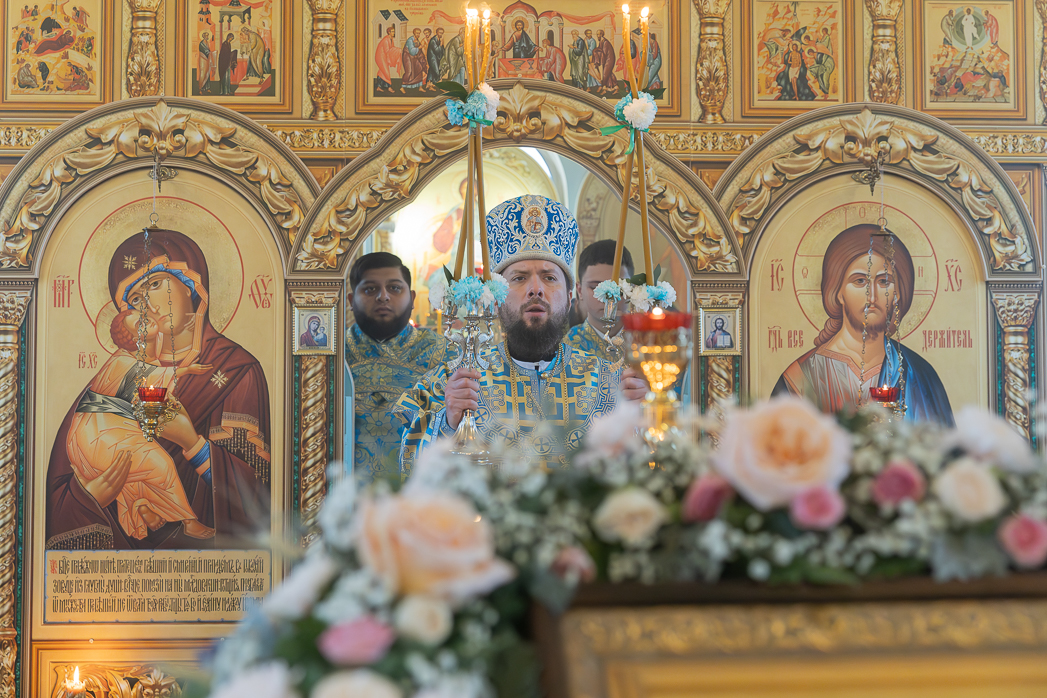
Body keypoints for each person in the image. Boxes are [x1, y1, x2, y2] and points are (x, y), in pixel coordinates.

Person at [46, 230, 272, 550]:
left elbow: (263, 493)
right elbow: (59, 490)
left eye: (154, 284)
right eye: (136, 299)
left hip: (213, 565)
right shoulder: (119, 369)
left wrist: (192, 444)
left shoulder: (235, 371)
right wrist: (91, 497)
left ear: (191, 283)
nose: (149, 305)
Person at [397, 196, 648, 474]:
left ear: (570, 296)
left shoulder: (611, 382)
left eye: (549, 277)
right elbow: (408, 468)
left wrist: (643, 418)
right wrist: (448, 421)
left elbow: (649, 472)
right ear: (496, 300)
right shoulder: (454, 382)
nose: (535, 289)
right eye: (519, 278)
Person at [772, 225, 953, 425]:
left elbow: (940, 441)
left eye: (884, 281)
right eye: (859, 281)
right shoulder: (801, 378)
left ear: (898, 294)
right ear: (837, 291)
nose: (872, 296)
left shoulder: (919, 375)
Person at [65, 308, 216, 541]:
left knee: (133, 469)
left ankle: (141, 505)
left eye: (143, 316)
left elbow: (148, 398)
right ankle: (189, 521)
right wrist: (184, 370)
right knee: (160, 463)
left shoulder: (150, 360)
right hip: (95, 430)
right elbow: (144, 376)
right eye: (139, 323)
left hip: (116, 426)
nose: (147, 320)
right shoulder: (121, 360)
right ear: (133, 337)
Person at [346, 253, 452, 484]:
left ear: (412, 298)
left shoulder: (445, 354)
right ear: (351, 300)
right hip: (347, 492)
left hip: (422, 493)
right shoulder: (332, 354)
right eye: (370, 289)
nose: (383, 296)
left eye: (394, 288)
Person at [565, 240, 634, 363]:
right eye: (595, 288)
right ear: (580, 291)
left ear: (632, 290)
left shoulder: (649, 341)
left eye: (618, 288)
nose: (609, 298)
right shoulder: (567, 348)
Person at [375, 25, 401, 93]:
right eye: (392, 31)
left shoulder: (391, 39)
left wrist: (396, 50)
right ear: (389, 32)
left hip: (385, 56)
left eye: (394, 31)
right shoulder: (386, 40)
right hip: (380, 57)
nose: (393, 33)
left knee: (382, 72)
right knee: (386, 72)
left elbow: (392, 48)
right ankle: (389, 87)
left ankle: (378, 87)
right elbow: (387, 51)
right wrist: (397, 50)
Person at [592, 29, 618, 95]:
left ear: (601, 34)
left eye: (598, 34)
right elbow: (600, 49)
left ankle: (604, 88)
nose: (597, 36)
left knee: (605, 73)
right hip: (606, 59)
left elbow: (604, 52)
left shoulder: (605, 42)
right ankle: (615, 87)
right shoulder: (601, 41)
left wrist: (598, 60)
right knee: (609, 73)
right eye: (597, 34)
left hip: (609, 59)